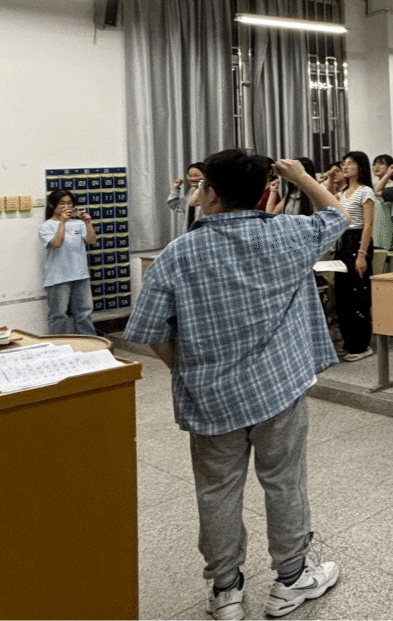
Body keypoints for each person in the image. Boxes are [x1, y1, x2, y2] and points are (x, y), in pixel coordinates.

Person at [124, 153, 346, 621]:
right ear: (262, 191)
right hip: (278, 388)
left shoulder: (179, 253)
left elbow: (150, 330)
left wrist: (186, 369)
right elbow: (337, 215)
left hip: (210, 397)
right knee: (284, 482)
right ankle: (291, 580)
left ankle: (226, 590)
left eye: (200, 185)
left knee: (217, 491)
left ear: (211, 194)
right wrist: (302, 177)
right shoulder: (289, 234)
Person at [333, 151, 376, 361]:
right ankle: (349, 341)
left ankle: (362, 345)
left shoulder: (365, 191)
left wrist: (362, 254)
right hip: (343, 241)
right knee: (342, 294)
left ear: (360, 167)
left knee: (358, 294)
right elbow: (327, 206)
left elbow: (368, 224)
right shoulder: (342, 192)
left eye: (350, 163)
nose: (345, 166)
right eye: (344, 163)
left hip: (358, 241)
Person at [40, 190, 97, 336]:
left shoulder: (78, 223)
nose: (67, 206)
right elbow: (57, 244)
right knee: (58, 315)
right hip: (58, 277)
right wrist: (62, 223)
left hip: (81, 275)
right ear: (53, 205)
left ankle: (89, 342)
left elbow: (91, 240)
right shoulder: (46, 226)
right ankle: (60, 344)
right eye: (62, 203)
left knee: (84, 312)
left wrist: (88, 223)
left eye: (69, 203)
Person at [167, 161, 206, 233]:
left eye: (196, 175)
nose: (192, 178)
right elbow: (178, 206)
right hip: (189, 233)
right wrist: (175, 189)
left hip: (204, 233)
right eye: (189, 176)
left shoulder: (211, 193)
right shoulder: (191, 191)